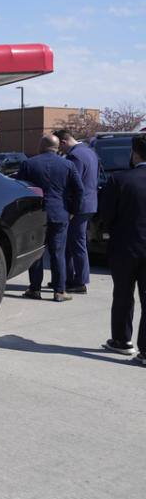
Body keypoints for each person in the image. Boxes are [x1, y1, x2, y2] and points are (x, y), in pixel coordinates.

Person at [15, 134, 83, 301]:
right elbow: (79, 189)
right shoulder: (68, 165)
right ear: (58, 147)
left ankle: (35, 289)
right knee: (58, 253)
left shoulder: (29, 164)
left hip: (35, 214)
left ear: (42, 146)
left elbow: (18, 186)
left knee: (37, 252)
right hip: (60, 213)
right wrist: (73, 210)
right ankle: (60, 291)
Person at [100, 134, 146, 361]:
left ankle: (122, 340)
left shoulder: (120, 180)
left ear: (135, 154)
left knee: (123, 295)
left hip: (125, 246)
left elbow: (104, 216)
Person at [53, 128, 99, 293]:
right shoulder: (90, 152)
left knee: (76, 243)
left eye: (60, 147)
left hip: (78, 206)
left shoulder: (75, 156)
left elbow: (74, 185)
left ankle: (79, 281)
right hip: (89, 203)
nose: (60, 151)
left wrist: (71, 209)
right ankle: (69, 278)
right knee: (74, 243)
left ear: (64, 142)